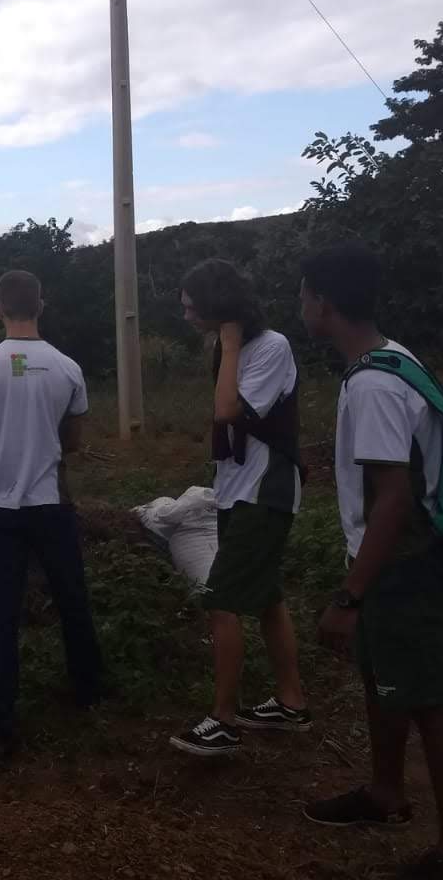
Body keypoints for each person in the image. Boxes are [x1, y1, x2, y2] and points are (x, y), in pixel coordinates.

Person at [300, 247, 443, 880]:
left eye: (304, 295)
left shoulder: (374, 385)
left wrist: (349, 596)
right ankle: (384, 793)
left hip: (401, 564)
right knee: (383, 678)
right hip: (396, 559)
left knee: (429, 701)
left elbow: (394, 500)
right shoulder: (392, 359)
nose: (302, 307)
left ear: (323, 301)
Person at [0, 270, 104, 761]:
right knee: (72, 600)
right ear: (41, 306)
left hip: (0, 507)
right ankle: (88, 692)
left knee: (1, 614)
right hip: (52, 504)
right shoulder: (68, 368)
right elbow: (74, 442)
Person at [170, 259, 309, 757]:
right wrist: (226, 346)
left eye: (192, 306)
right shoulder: (230, 348)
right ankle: (291, 701)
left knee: (222, 600)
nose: (186, 315)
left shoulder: (270, 347)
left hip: (264, 490)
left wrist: (228, 346)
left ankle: (223, 720)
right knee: (267, 598)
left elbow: (228, 410)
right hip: (236, 487)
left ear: (219, 306)